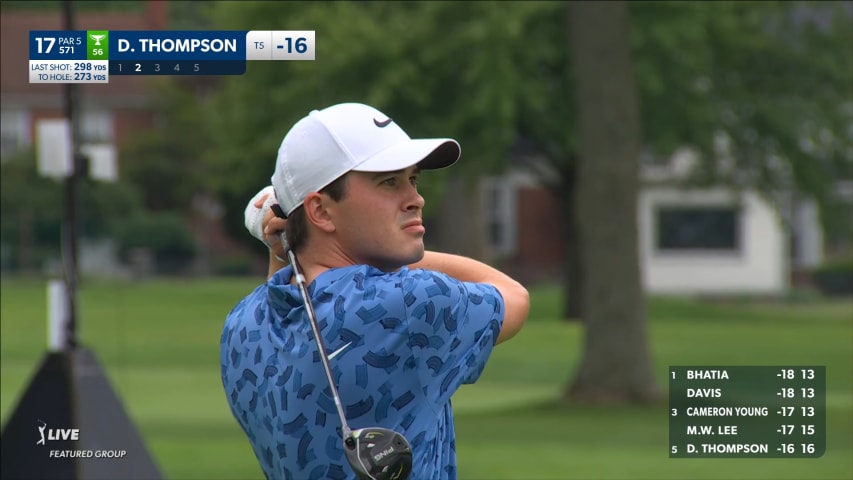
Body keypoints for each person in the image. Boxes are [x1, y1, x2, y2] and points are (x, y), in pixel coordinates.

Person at [220, 102, 529, 480]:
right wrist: (399, 256)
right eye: (389, 182)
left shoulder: (241, 328)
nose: (416, 198)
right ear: (321, 211)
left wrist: (289, 241)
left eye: (413, 179)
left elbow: (286, 288)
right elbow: (512, 296)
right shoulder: (409, 303)